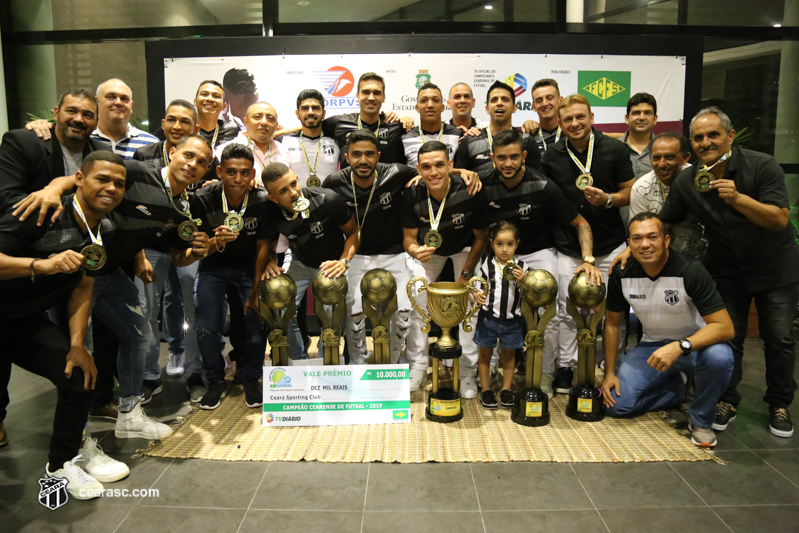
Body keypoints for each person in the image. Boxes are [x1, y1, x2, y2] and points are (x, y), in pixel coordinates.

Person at [659, 107, 799, 438]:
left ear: (730, 136)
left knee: (778, 339)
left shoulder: (761, 165)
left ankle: (779, 403)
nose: (706, 142)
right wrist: (632, 247)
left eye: (713, 135)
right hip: (727, 269)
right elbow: (666, 218)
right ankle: (728, 399)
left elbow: (779, 219)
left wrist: (737, 198)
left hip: (774, 268)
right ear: (691, 145)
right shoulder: (688, 179)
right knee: (729, 337)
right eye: (699, 138)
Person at [0, 151, 131, 497]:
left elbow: (83, 286)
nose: (111, 188)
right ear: (79, 179)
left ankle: (61, 463)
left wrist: (76, 344)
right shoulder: (42, 211)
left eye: (119, 183)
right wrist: (38, 266)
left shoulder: (107, 228)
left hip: (21, 322)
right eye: (102, 179)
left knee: (79, 375)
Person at [481, 129, 602, 397]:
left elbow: (581, 223)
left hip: (538, 252)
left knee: (553, 311)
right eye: (501, 158)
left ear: (524, 156)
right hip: (501, 253)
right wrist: (458, 173)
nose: (508, 163)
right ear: (492, 158)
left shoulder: (543, 185)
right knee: (488, 308)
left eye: (514, 157)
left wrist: (588, 259)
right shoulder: (483, 182)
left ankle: (544, 374)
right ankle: (489, 370)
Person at [603, 213, 735, 447]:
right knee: (617, 405)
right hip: (651, 346)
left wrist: (681, 345)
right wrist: (610, 373)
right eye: (637, 238)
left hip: (696, 346)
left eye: (652, 237)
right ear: (629, 244)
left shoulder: (690, 270)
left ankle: (701, 421)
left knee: (720, 356)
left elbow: (724, 327)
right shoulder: (621, 273)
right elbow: (612, 324)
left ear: (666, 240)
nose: (645, 244)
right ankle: (678, 387)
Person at [541, 94, 635, 394]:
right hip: (569, 246)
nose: (574, 123)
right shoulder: (551, 155)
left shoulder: (615, 149)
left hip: (612, 244)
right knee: (568, 310)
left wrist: (609, 199)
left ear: (592, 118)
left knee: (614, 312)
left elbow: (631, 192)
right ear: (559, 123)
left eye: (580, 117)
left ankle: (610, 370)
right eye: (567, 119)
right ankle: (566, 368)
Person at [178, 143, 271, 409]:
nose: (238, 179)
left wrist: (254, 292)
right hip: (213, 266)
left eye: (244, 173)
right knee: (207, 325)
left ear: (253, 173)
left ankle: (252, 377)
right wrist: (214, 242)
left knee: (256, 320)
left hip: (248, 266)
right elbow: (196, 245)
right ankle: (216, 380)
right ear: (219, 171)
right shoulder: (202, 198)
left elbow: (264, 246)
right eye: (231, 172)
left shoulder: (262, 200)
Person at [401, 140, 489, 395]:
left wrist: (466, 276)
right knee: (416, 297)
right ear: (418, 169)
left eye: (440, 165)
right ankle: (418, 365)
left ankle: (468, 372)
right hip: (428, 252)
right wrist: (414, 250)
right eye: (426, 167)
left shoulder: (471, 187)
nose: (434, 172)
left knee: (470, 305)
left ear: (451, 165)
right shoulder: (412, 191)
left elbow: (482, 237)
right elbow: (408, 237)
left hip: (465, 249)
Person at [323, 130, 418, 365]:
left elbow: (433, 172)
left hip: (395, 253)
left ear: (378, 155)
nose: (363, 161)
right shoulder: (334, 183)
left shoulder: (397, 173)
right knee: (354, 316)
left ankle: (392, 363)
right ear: (346, 156)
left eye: (368, 154)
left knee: (403, 316)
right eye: (356, 155)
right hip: (357, 256)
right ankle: (358, 362)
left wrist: (462, 171)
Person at [262, 162, 359, 360]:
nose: (293, 193)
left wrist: (343, 262)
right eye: (283, 191)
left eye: (293, 184)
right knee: (282, 309)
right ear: (272, 197)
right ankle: (299, 362)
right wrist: (271, 261)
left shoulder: (326, 199)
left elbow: (353, 233)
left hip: (332, 263)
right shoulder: (270, 212)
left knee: (333, 315)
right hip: (300, 261)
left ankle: (326, 362)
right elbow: (270, 245)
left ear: (297, 179)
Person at [1, 87, 103, 212]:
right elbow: (7, 198)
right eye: (71, 111)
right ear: (56, 113)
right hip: (35, 227)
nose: (78, 119)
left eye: (87, 115)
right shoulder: (22, 142)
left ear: (96, 122)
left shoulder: (101, 152)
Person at [25, 78, 158, 160]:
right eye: (111, 97)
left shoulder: (151, 144)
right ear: (97, 102)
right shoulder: (81, 134)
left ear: (131, 105)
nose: (118, 102)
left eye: (124, 99)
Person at [473, 221, 528, 410]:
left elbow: (529, 293)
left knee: (509, 354)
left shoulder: (522, 267)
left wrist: (524, 281)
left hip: (512, 320)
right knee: (485, 353)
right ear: (492, 243)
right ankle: (486, 390)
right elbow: (477, 287)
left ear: (517, 244)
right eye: (499, 244)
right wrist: (477, 294)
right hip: (488, 318)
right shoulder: (486, 266)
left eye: (510, 244)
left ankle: (506, 388)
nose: (504, 249)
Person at [627, 131, 705, 259]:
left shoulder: (698, 180)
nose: (662, 164)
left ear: (685, 158)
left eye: (669, 157)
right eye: (656, 158)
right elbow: (639, 232)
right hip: (660, 259)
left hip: (701, 257)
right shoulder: (641, 188)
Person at [454, 81, 541, 175]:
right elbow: (459, 180)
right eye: (494, 100)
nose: (499, 103)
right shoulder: (470, 142)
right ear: (487, 108)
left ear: (514, 108)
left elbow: (536, 180)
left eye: (505, 99)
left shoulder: (527, 141)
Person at [279, 89, 340, 186]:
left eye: (315, 108)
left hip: (329, 199)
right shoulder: (284, 142)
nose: (310, 112)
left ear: (324, 113)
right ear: (297, 114)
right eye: (305, 108)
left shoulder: (336, 141)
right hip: (297, 199)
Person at [402, 83, 464, 166]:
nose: (430, 105)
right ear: (417, 108)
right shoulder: (405, 137)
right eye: (424, 101)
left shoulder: (457, 134)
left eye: (435, 100)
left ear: (442, 107)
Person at [620, 93, 658, 179]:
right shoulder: (613, 148)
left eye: (648, 113)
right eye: (636, 113)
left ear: (655, 119)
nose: (641, 118)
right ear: (627, 118)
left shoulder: (664, 149)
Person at [531, 78, 563, 154]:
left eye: (550, 98)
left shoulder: (571, 132)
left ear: (561, 101)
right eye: (539, 100)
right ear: (534, 107)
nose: (545, 104)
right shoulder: (529, 137)